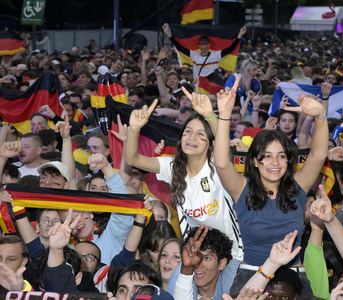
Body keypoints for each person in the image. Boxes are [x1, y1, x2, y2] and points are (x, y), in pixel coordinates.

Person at [214, 76, 328, 295]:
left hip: (293, 276)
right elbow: (221, 162)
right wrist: (225, 115)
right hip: (251, 275)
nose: (275, 163)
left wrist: (321, 115)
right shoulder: (241, 188)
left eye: (281, 156)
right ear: (255, 161)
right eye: (266, 156)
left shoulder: (298, 186)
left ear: (288, 160)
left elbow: (318, 155)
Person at [124, 96, 243, 291]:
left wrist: (209, 116)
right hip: (193, 254)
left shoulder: (217, 163)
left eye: (200, 134)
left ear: (210, 143)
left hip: (231, 255)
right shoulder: (172, 166)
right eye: (187, 132)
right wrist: (135, 129)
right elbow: (133, 159)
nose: (192, 138)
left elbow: (224, 147)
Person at [162, 23, 247, 94]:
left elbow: (230, 48)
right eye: (200, 44)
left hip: (210, 88)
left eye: (205, 44)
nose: (202, 46)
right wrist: (169, 35)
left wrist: (239, 36)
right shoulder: (194, 55)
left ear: (209, 45)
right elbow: (180, 47)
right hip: (197, 86)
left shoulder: (215, 55)